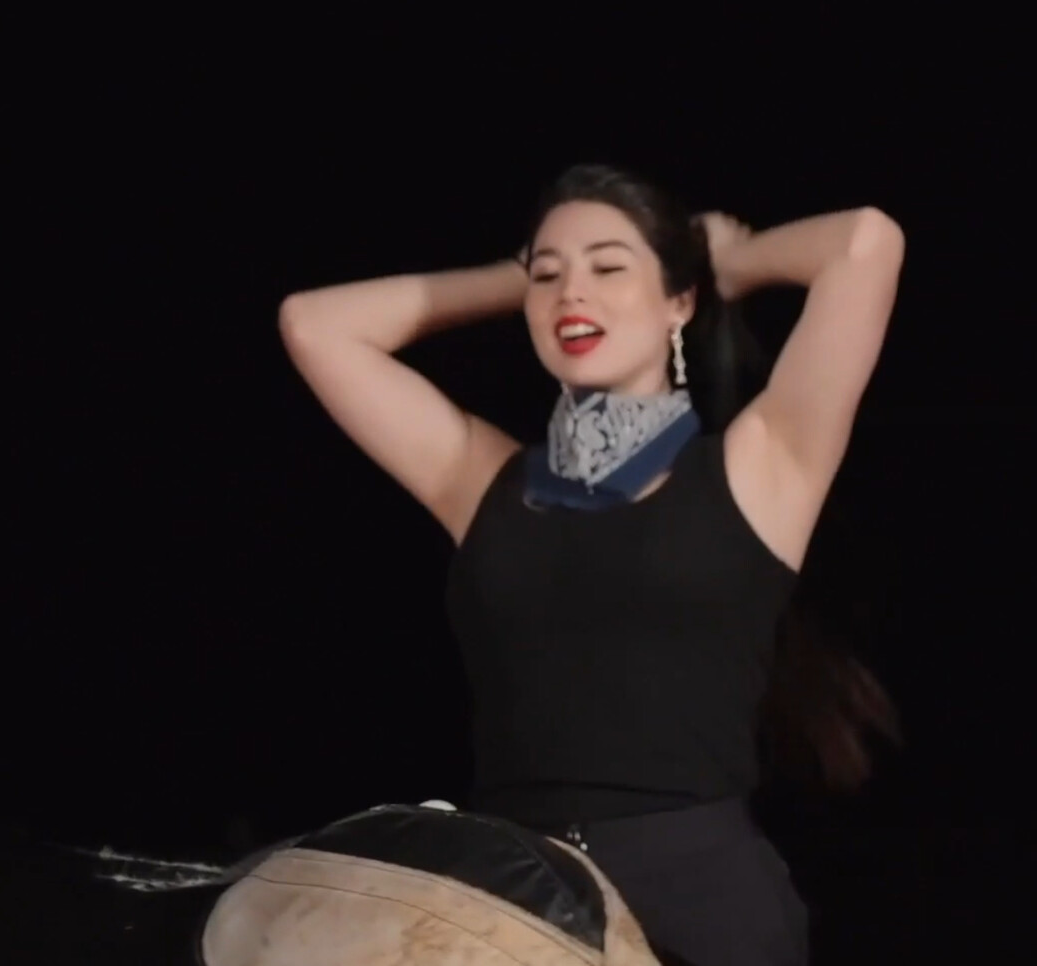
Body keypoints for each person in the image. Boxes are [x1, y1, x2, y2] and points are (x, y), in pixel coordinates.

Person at [277, 163, 906, 966]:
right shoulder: (480, 478)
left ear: (678, 302)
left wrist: (723, 262)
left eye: (609, 268)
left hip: (699, 907)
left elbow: (866, 242)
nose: (572, 291)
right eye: (547, 275)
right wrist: (519, 281)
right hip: (510, 899)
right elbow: (314, 324)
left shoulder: (761, 465)